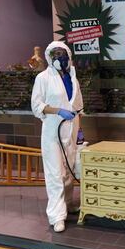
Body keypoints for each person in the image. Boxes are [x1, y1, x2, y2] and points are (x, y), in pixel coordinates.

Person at [31, 41, 84, 233]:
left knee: (69, 171)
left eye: (62, 54)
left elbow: (79, 107)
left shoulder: (72, 78)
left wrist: (80, 132)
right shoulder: (42, 78)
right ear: (49, 57)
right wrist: (58, 111)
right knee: (55, 175)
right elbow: (37, 106)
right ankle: (56, 216)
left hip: (72, 130)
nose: (59, 58)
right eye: (55, 55)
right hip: (53, 132)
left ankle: (68, 205)